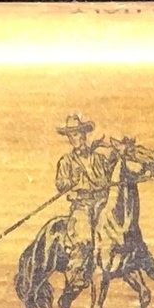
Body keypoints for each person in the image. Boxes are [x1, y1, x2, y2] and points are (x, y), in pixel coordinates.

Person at [53, 114, 117, 273]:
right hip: (82, 206)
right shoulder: (66, 161)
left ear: (84, 134)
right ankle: (77, 272)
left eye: (77, 133)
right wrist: (74, 181)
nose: (75, 138)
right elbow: (61, 184)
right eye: (71, 135)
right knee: (82, 237)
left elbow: (109, 177)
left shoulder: (98, 158)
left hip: (102, 204)